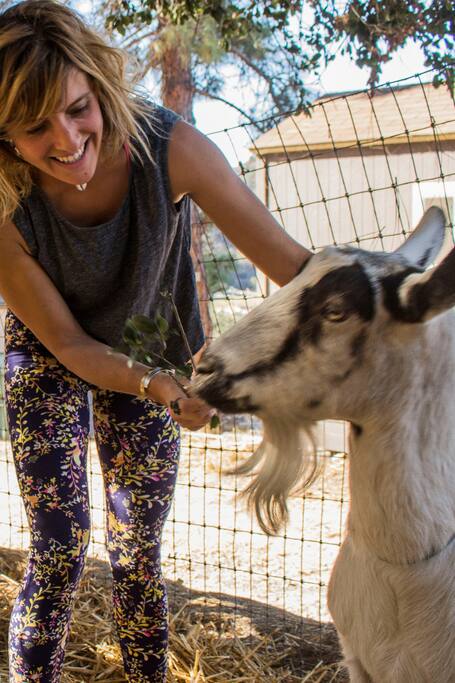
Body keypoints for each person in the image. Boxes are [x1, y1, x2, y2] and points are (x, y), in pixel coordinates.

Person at [0, 1, 311, 681]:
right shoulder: (5, 204)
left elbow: (295, 268)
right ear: (5, 137)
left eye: (78, 108)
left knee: (137, 549)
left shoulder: (172, 148)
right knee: (60, 546)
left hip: (150, 341)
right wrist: (153, 384)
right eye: (35, 126)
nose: (66, 139)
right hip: (51, 353)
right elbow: (70, 345)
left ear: (99, 88)